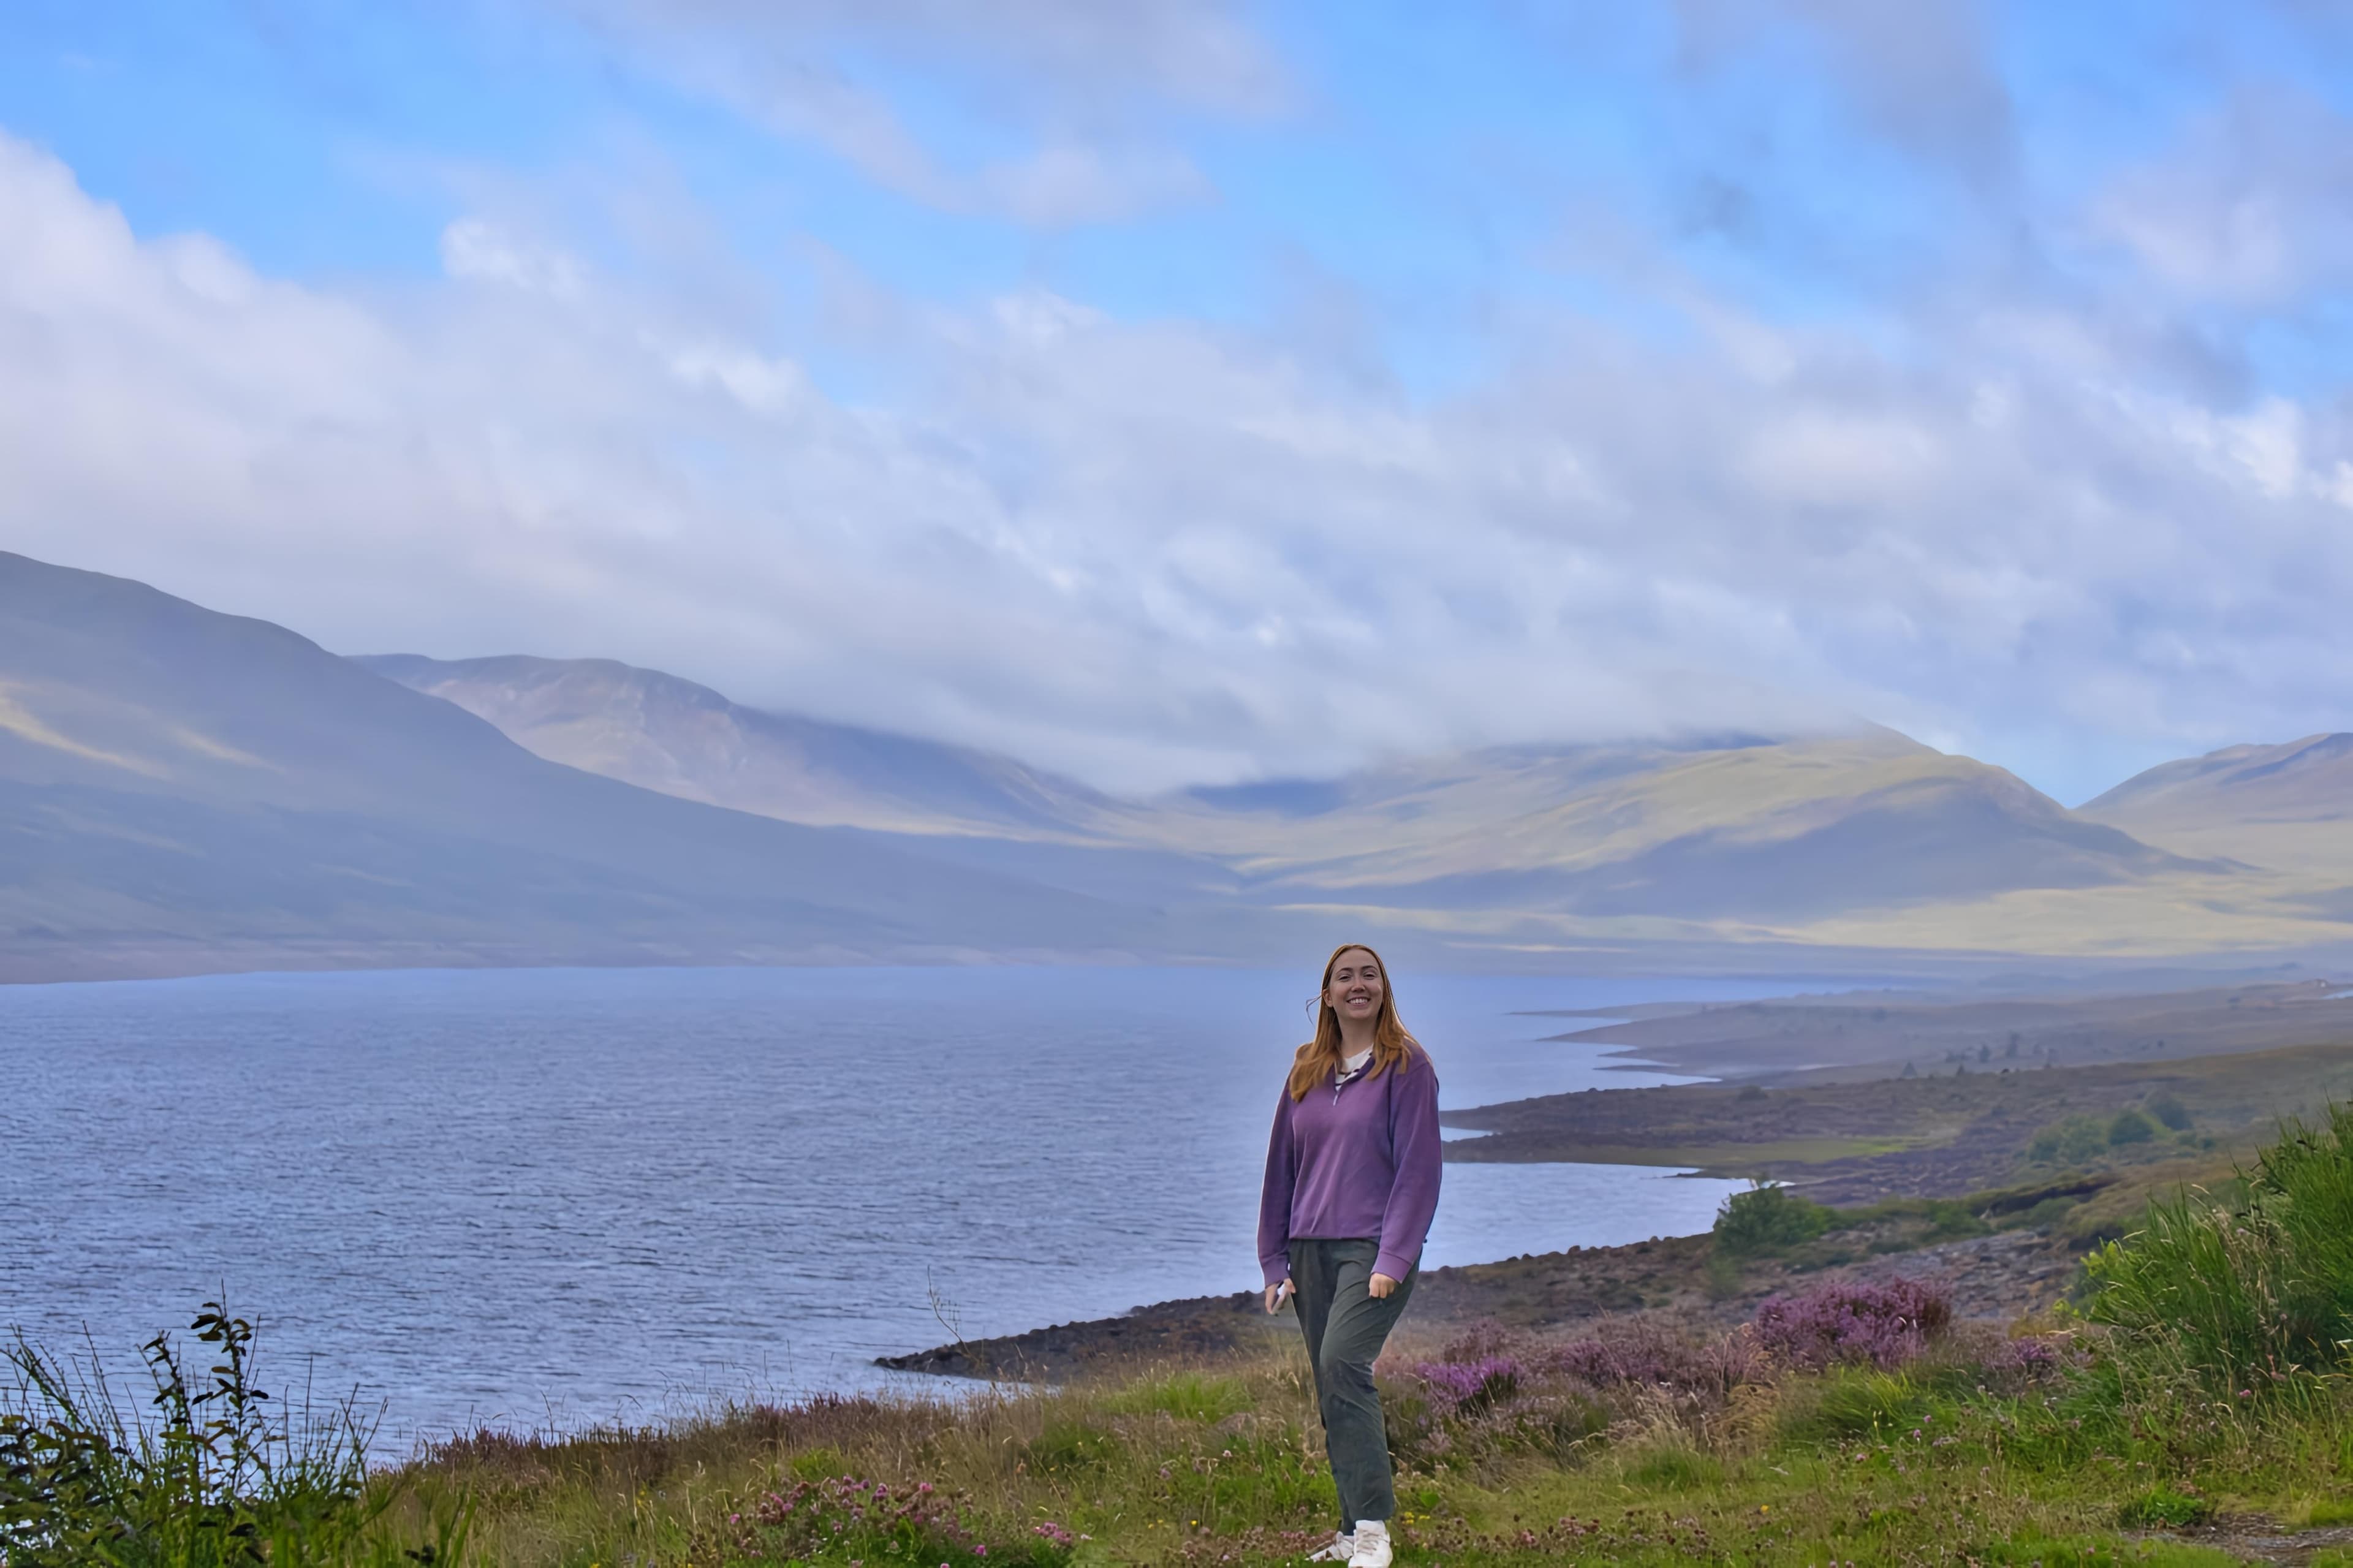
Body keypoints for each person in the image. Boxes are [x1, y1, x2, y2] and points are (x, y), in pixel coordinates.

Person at [1257, 943, 1441, 1568]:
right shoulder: (1306, 1070)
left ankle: (1372, 1531)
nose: (1358, 984)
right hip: (1308, 1250)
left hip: (1373, 1248)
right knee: (1329, 1384)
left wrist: (1394, 1258)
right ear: (1328, 994)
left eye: (1369, 974)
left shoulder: (1407, 1066)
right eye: (1345, 976)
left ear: (1383, 989)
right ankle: (1347, 1529)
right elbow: (1281, 1170)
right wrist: (1273, 1262)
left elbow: (1419, 1171)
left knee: (1343, 1364)